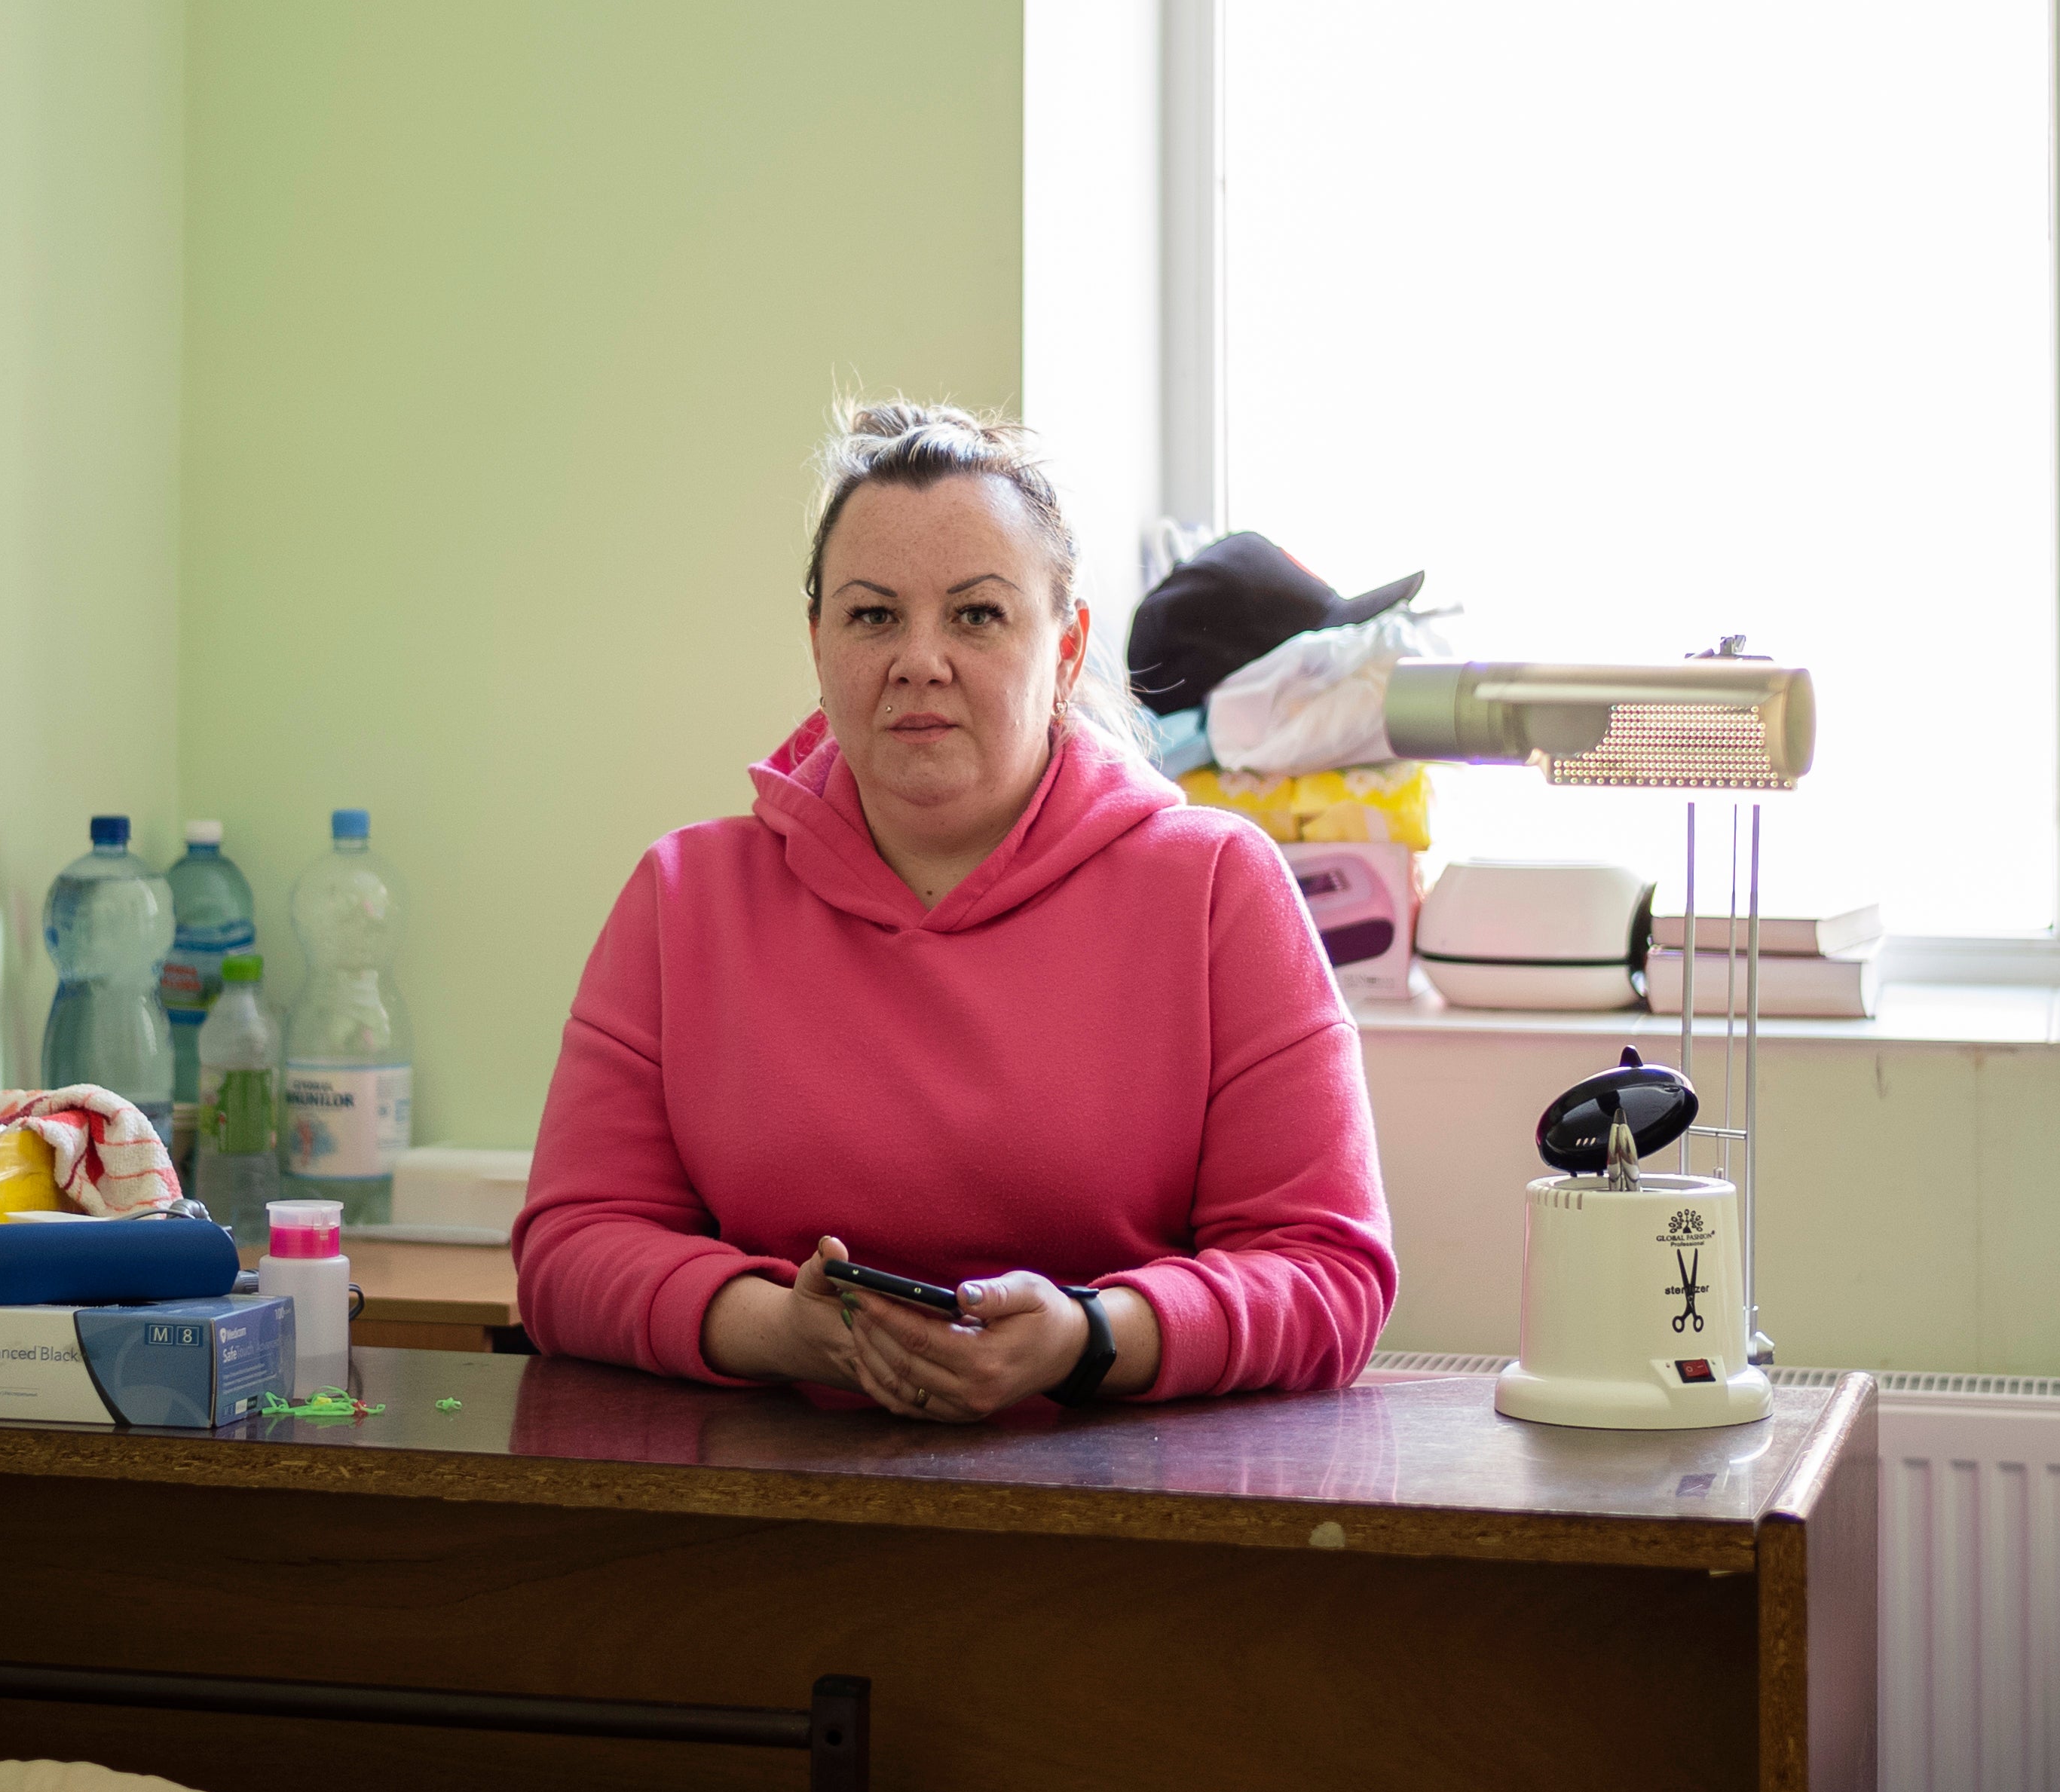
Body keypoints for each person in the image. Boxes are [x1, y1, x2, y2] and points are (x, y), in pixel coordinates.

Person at [513, 401, 1397, 1419]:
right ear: (817, 643)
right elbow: (568, 1254)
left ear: (1065, 649)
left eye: (976, 615)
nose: (919, 660)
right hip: (763, 1506)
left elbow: (1328, 1272)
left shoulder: (1215, 888)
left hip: (1135, 1518)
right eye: (872, 615)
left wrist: (1088, 1335)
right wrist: (784, 1332)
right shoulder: (682, 897)